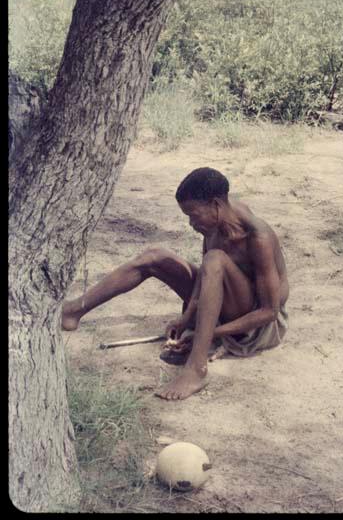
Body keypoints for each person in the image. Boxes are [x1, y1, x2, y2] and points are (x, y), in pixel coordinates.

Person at [62, 167, 289, 400]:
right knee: (154, 256)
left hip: (256, 325)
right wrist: (187, 318)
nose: (191, 223)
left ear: (216, 205)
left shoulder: (257, 237)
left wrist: (208, 333)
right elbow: (205, 275)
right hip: (222, 299)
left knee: (215, 259)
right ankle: (73, 311)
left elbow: (268, 311)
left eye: (193, 215)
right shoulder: (215, 222)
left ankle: (196, 368)